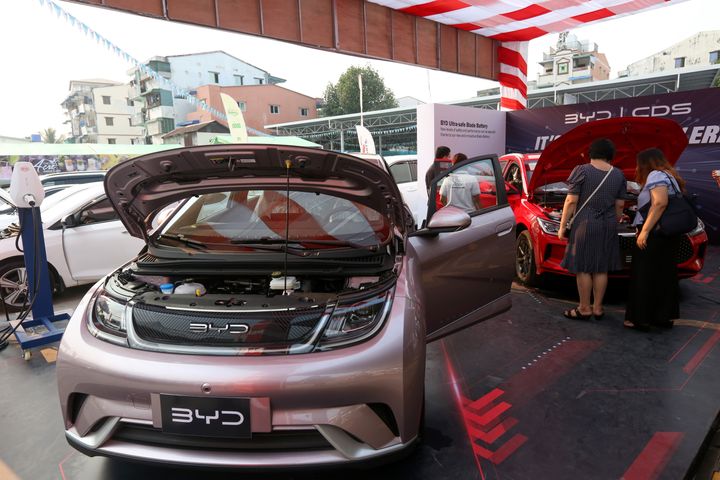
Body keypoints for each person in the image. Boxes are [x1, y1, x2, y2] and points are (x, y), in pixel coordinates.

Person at [557, 138, 627, 320]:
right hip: (609, 224)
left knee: (584, 268)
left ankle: (584, 308)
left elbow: (571, 200)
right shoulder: (619, 174)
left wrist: (563, 225)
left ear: (591, 152)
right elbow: (620, 205)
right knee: (601, 268)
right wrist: (613, 221)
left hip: (585, 224)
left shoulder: (582, 170)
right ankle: (598, 308)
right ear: (610, 155)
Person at [624, 148, 685, 330]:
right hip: (668, 233)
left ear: (645, 163)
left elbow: (660, 203)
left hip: (655, 233)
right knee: (665, 276)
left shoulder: (656, 175)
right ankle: (662, 317)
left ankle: (641, 319)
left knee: (643, 276)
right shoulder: (669, 175)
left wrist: (644, 231)